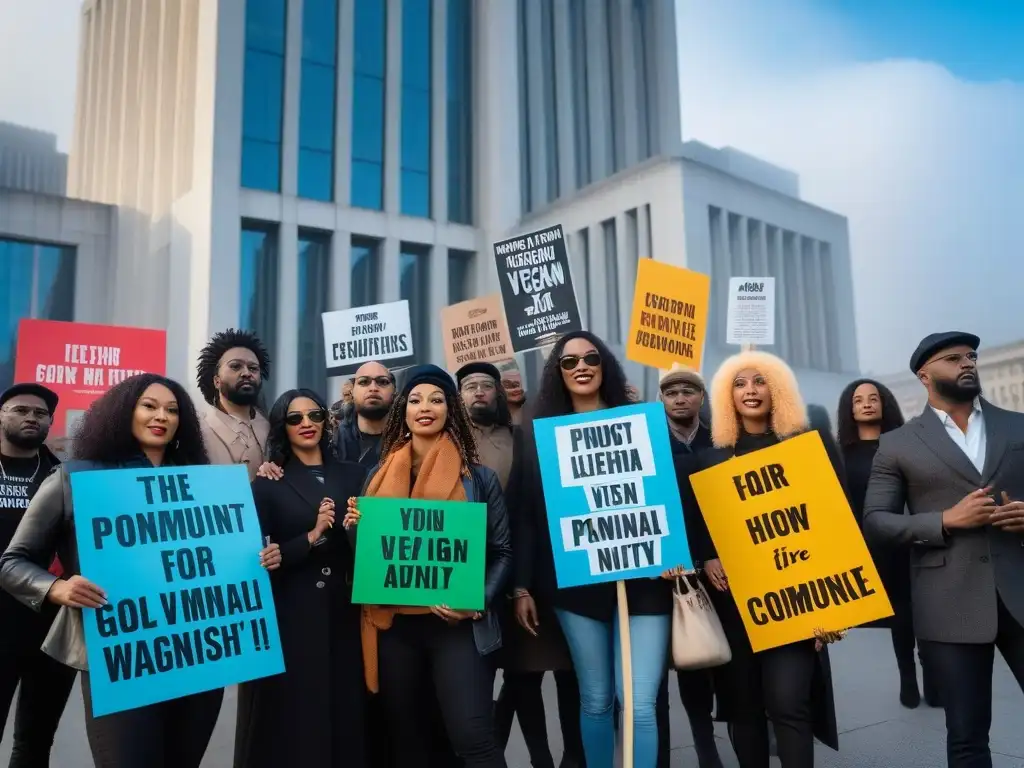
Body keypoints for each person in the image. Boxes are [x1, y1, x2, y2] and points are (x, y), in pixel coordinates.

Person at [0, 373, 247, 768]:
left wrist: (256, 556)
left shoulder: (203, 485)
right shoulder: (75, 477)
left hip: (198, 659)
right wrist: (55, 588)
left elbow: (224, 562)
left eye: (171, 410)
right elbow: (12, 562)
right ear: (123, 412)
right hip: (119, 658)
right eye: (149, 406)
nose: (161, 416)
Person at [512, 330, 677, 768]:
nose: (581, 366)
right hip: (577, 587)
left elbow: (674, 497)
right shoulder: (536, 436)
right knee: (598, 699)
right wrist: (522, 587)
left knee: (639, 702)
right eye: (569, 362)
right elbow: (526, 515)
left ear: (605, 365)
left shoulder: (644, 422)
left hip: (645, 582)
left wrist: (680, 552)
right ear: (557, 374)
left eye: (590, 358)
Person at [863, 332, 1024, 767]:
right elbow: (877, 521)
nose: (967, 363)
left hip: (1020, 590)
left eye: (971, 356)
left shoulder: (1018, 425)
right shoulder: (897, 443)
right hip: (949, 605)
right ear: (925, 375)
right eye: (953, 359)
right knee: (968, 737)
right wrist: (944, 521)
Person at [678, 350, 840, 768]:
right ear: (726, 396)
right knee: (744, 710)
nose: (750, 390)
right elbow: (696, 530)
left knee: (790, 705)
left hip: (797, 606)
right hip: (734, 606)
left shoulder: (805, 448)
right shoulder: (708, 459)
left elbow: (834, 527)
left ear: (778, 389)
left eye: (759, 380)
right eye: (739, 383)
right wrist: (706, 558)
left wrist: (835, 609)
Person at [344, 364, 512, 768]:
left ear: (450, 410)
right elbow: (370, 558)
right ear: (403, 409)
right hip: (396, 630)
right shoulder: (375, 477)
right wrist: (354, 530)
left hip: (456, 628)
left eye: (437, 400)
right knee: (409, 742)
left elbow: (503, 551)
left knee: (473, 739)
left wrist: (476, 602)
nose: (426, 407)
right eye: (416, 399)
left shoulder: (480, 479)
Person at [456, 362, 585, 768]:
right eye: (469, 386)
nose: (478, 392)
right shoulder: (447, 445)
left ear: (499, 394)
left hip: (530, 572)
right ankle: (538, 758)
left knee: (554, 669)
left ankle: (574, 757)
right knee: (508, 677)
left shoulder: (522, 438)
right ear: (458, 397)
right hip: (470, 575)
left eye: (486, 385)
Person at [234, 388, 367, 768]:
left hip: (347, 610)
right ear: (283, 426)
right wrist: (311, 537)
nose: (306, 424)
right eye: (295, 418)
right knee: (297, 716)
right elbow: (258, 558)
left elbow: (373, 543)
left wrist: (356, 528)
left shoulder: (358, 475)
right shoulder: (267, 483)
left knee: (346, 709)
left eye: (314, 415)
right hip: (292, 613)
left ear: (326, 421)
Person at [836, 378, 938, 709]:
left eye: (873, 398)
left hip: (911, 537)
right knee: (899, 614)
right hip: (871, 544)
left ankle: (933, 678)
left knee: (921, 611)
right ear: (849, 410)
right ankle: (907, 679)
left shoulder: (907, 444)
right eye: (858, 400)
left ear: (884, 404)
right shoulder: (841, 455)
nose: (866, 403)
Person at [0, 383, 77, 767]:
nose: (31, 417)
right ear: (1, 415)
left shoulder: (64, 475)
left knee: (34, 743)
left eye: (41, 413)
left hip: (51, 626)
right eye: (20, 410)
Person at [653, 365, 722, 768]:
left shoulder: (721, 440)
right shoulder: (646, 442)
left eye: (688, 391)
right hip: (663, 565)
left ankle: (705, 744)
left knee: (702, 659)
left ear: (701, 397)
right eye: (671, 392)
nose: (679, 398)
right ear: (660, 399)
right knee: (660, 663)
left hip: (715, 564)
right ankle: (659, 752)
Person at [196, 329, 272, 481]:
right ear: (216, 381)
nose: (246, 373)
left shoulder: (271, 428)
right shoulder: (197, 429)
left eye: (253, 368)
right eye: (235, 366)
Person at [497, 360, 527, 426]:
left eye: (518, 384)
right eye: (507, 385)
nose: (516, 389)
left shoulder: (537, 410)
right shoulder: (492, 419)